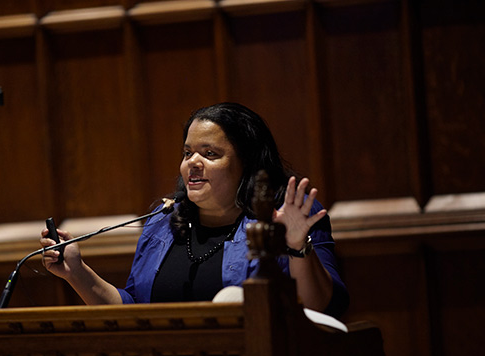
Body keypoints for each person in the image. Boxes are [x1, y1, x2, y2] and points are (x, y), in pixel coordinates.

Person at [41, 102, 349, 317]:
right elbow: (133, 311)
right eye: (188, 152)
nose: (193, 163)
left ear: (247, 165)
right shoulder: (163, 222)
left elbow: (322, 307)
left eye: (210, 153)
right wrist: (77, 272)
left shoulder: (285, 218)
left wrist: (297, 246)